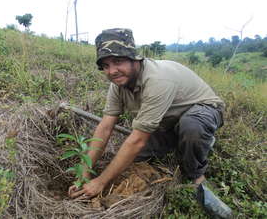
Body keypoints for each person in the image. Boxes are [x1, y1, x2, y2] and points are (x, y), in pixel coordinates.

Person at [68, 28, 232, 218]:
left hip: (204, 109)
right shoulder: (118, 85)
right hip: (168, 120)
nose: (111, 71)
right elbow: (105, 128)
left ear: (134, 58)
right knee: (136, 158)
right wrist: (84, 173)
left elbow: (137, 140)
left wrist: (100, 182)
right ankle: (179, 141)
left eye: (118, 61)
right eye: (105, 65)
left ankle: (196, 175)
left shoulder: (157, 80)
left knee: (191, 128)